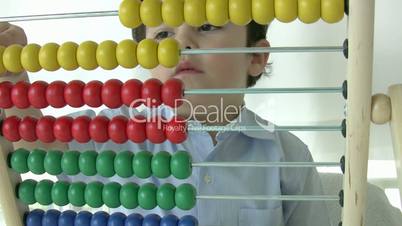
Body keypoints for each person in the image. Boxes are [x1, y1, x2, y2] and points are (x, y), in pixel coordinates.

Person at [0, 18, 331, 226]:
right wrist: (14, 72)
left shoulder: (288, 156)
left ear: (256, 58)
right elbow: (37, 143)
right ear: (143, 56)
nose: (180, 44)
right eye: (162, 35)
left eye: (207, 26)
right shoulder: (117, 130)